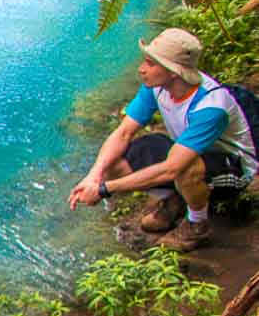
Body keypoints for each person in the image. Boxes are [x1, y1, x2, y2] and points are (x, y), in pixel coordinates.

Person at [68, 27, 256, 251]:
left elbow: (172, 169)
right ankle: (177, 198)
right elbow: (123, 132)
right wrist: (94, 176)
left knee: (185, 169)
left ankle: (198, 225)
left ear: (174, 71)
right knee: (116, 162)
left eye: (151, 63)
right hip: (188, 152)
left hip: (232, 168)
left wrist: (103, 190)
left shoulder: (211, 106)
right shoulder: (156, 86)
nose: (142, 69)